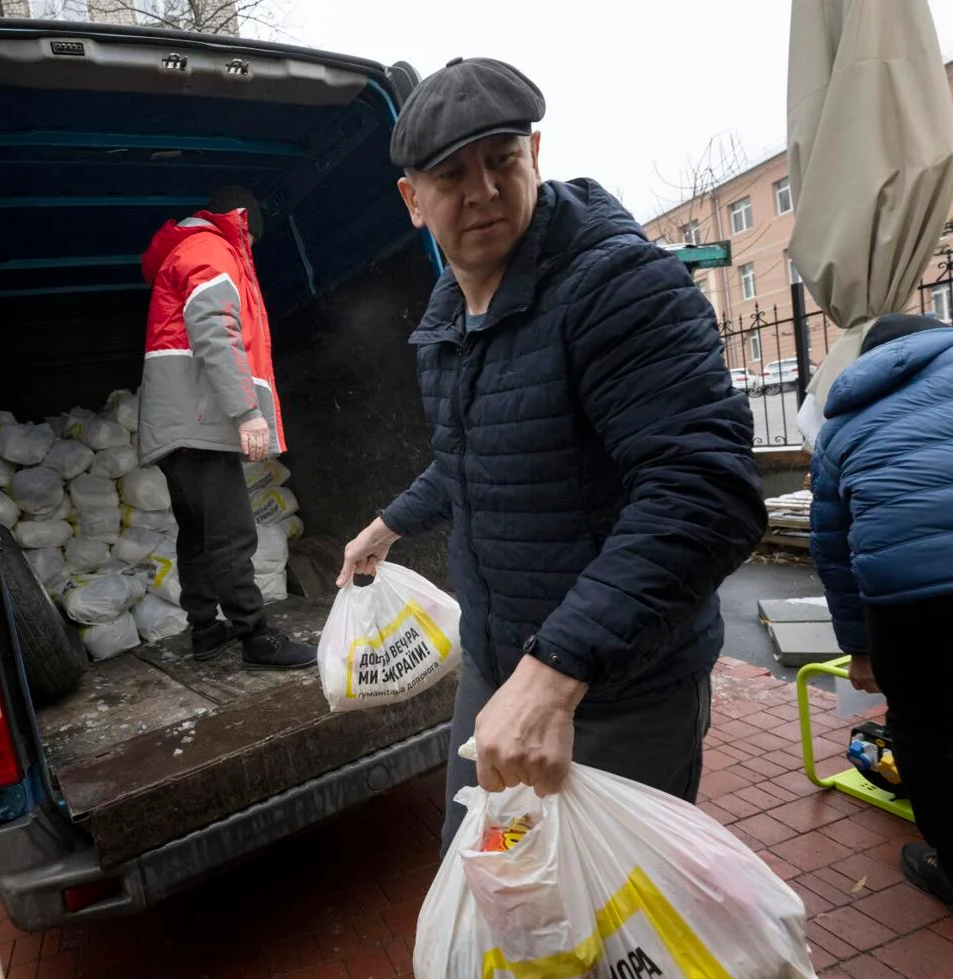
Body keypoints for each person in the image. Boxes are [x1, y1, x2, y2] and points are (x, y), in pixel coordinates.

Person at [336, 57, 766, 852]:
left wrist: (556, 671)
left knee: (614, 948)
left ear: (534, 153)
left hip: (617, 691)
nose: (484, 192)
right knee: (490, 898)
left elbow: (707, 490)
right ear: (412, 202)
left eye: (501, 159)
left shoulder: (620, 288)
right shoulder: (449, 314)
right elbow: (477, 458)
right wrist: (384, 527)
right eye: (451, 174)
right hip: (497, 672)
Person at [137, 186, 317, 670]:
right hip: (199, 421)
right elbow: (215, 330)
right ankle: (255, 636)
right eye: (254, 239)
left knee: (197, 533)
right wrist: (246, 412)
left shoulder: (188, 249)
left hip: (179, 426)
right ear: (243, 222)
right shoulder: (211, 249)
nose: (253, 249)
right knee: (233, 532)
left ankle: (205, 630)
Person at [809, 312, 953, 905]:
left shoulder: (841, 426)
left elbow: (833, 548)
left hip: (907, 602)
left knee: (921, 729)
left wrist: (860, 649)